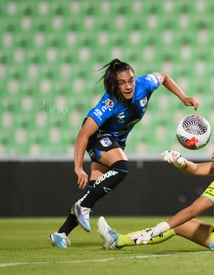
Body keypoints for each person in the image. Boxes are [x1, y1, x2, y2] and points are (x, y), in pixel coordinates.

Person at [49, 58, 200, 248]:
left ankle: (61, 233)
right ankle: (82, 207)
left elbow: (164, 77)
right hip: (98, 137)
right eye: (122, 82)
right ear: (115, 84)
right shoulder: (109, 104)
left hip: (116, 141)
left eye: (131, 80)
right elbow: (83, 134)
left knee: (94, 189)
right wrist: (78, 168)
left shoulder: (144, 84)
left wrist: (184, 98)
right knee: (122, 167)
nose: (128, 86)